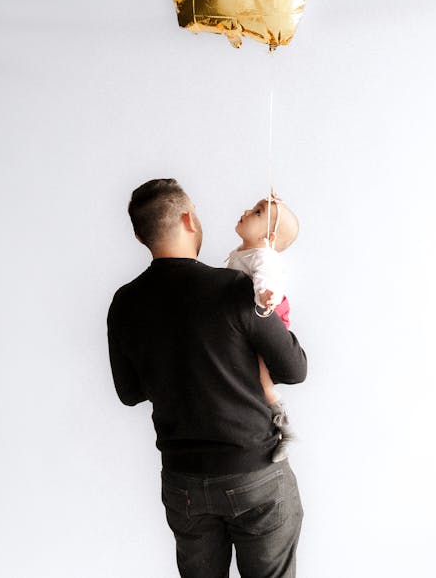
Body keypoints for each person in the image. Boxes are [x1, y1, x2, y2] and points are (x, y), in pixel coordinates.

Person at [107, 178, 308, 578]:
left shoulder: (124, 303)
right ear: (188, 219)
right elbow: (293, 369)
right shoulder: (233, 289)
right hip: (255, 476)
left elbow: (129, 393)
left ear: (138, 234)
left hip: (184, 482)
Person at [225, 193, 300, 463]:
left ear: (268, 236)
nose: (247, 210)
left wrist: (264, 295)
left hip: (268, 314)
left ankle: (285, 430)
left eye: (257, 213)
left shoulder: (263, 256)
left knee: (263, 381)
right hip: (256, 317)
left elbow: (265, 279)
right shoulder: (245, 252)